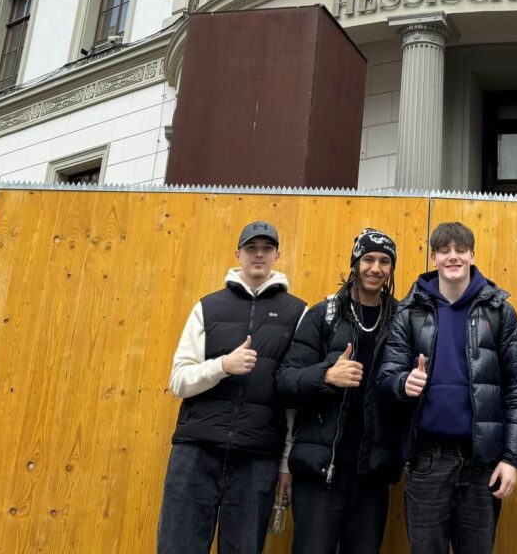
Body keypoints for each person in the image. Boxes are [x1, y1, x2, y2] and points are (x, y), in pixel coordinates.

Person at [377, 221, 517, 554]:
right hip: (427, 460)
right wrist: (403, 383)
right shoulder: (409, 312)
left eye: (460, 250)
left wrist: (511, 458)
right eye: (444, 251)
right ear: (433, 258)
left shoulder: (499, 311)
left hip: (483, 462)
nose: (453, 257)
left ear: (472, 255)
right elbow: (385, 378)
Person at [157, 220, 307, 554]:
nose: (258, 254)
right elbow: (178, 380)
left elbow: (294, 402)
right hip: (196, 451)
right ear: (237, 253)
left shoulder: (297, 312)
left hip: (257, 457)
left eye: (266, 248)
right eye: (251, 248)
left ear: (277, 254)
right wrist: (223, 366)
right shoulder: (207, 307)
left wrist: (285, 464)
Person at [276, 229, 405, 554]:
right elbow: (285, 381)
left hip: (372, 471)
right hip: (322, 470)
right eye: (369, 259)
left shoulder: (401, 319)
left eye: (384, 261)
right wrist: (326, 375)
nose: (376, 268)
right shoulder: (324, 315)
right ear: (355, 263)